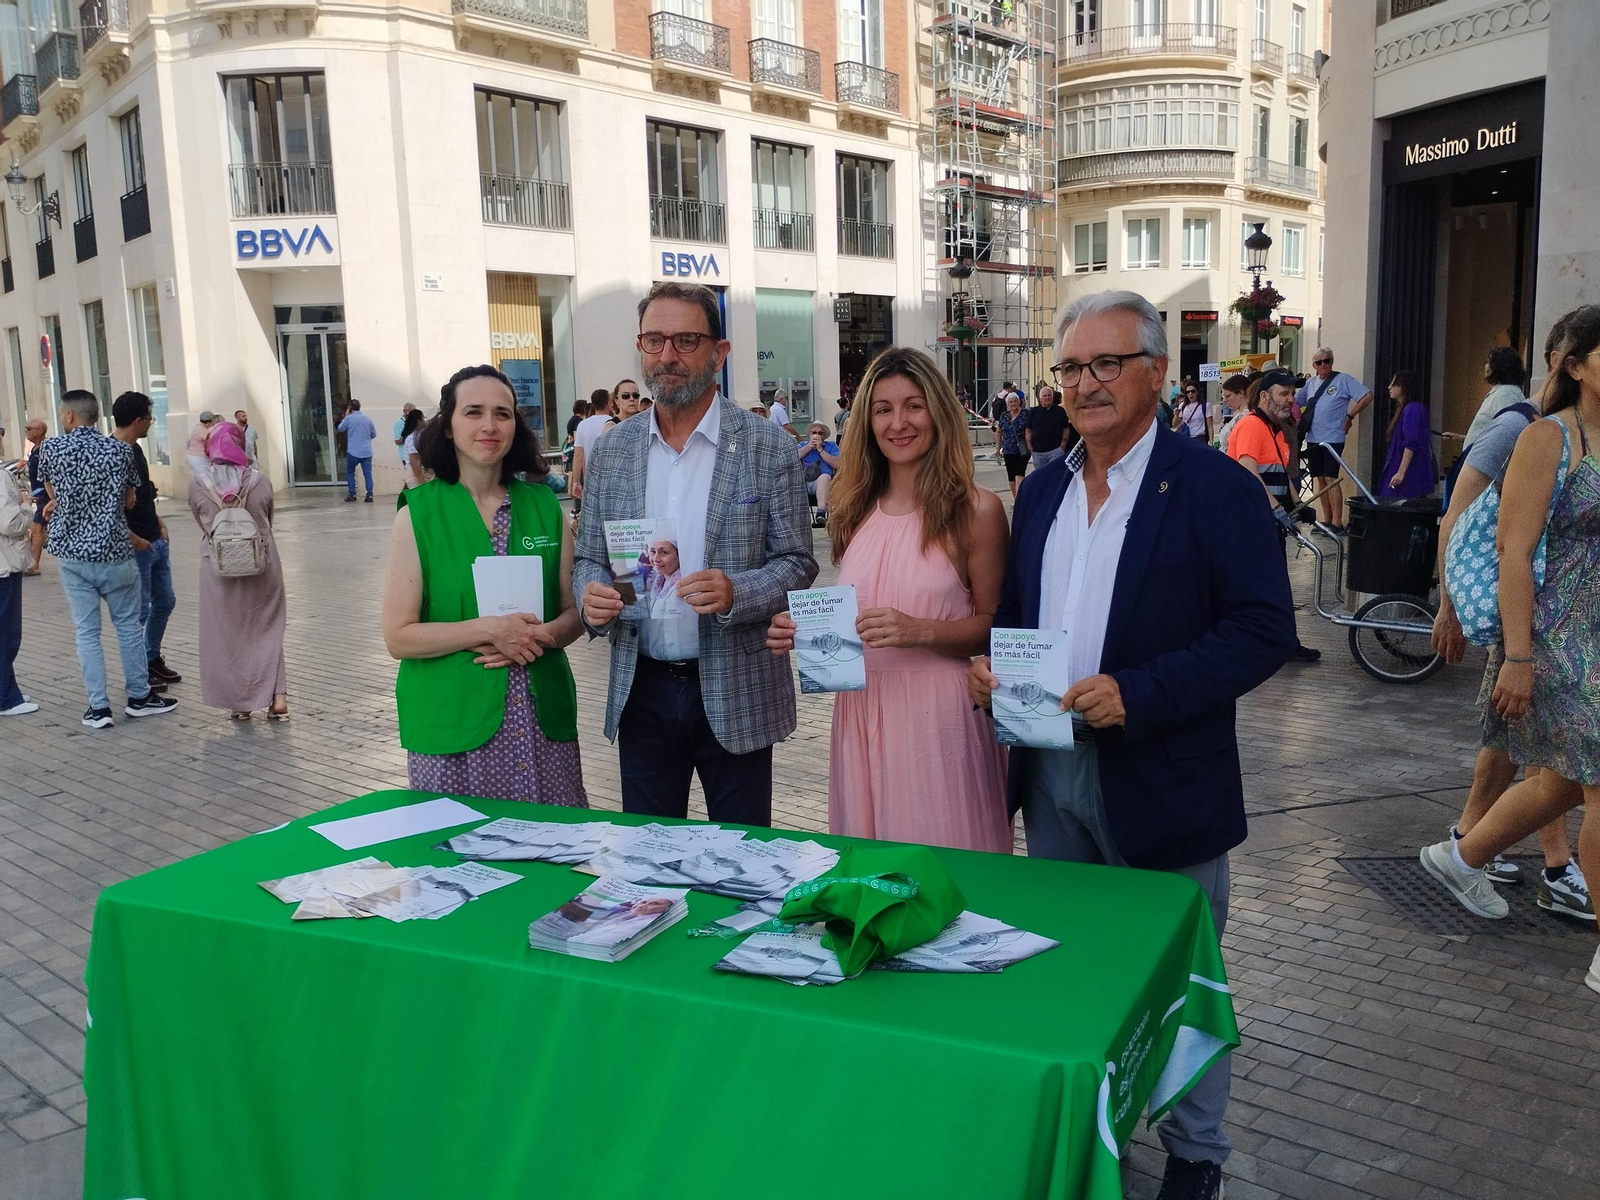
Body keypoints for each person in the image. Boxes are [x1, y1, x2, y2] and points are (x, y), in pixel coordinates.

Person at [966, 290, 1296, 1199]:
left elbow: (1264, 629)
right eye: (1071, 368)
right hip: (1051, 767)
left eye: (1107, 364)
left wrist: (1140, 695)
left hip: (1161, 776)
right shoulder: (1042, 487)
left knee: (1179, 980)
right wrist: (995, 665)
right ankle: (1101, 1126)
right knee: (1077, 965)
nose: (1085, 384)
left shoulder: (1212, 486)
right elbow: (1018, 613)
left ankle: (1196, 1156)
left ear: (1156, 371)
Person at [574, 280, 818, 826]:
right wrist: (590, 597)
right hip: (643, 689)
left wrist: (737, 591)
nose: (668, 356)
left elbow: (798, 562)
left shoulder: (767, 446)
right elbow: (589, 558)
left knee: (743, 863)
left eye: (686, 340)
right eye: (654, 340)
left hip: (737, 686)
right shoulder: (613, 451)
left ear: (719, 352)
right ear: (640, 347)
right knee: (650, 859)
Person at [1420, 304, 1600, 995]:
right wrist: (1518, 657)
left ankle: (1463, 857)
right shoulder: (1546, 437)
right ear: (1575, 366)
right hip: (1559, 635)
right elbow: (1513, 552)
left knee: (1561, 779)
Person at [768, 346, 1011, 852]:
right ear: (866, 421)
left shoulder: (976, 509)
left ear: (938, 411)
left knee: (945, 877)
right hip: (860, 711)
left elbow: (998, 626)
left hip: (939, 721)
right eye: (883, 409)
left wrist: (920, 629)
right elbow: (851, 616)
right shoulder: (853, 506)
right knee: (870, 877)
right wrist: (800, 631)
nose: (898, 422)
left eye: (913, 405)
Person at [383, 364, 585, 806]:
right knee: (460, 864)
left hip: (539, 724)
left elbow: (574, 613)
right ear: (449, 426)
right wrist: (490, 630)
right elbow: (399, 637)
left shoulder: (545, 507)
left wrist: (542, 635)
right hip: (452, 729)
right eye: (473, 412)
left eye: (503, 413)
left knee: (554, 857)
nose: (489, 426)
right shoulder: (417, 514)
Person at [38, 390, 178, 727]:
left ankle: (99, 708)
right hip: (115, 553)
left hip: (72, 554)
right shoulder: (120, 450)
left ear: (70, 416)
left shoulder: (51, 449)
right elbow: (131, 499)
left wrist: (71, 502)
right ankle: (139, 697)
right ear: (95, 416)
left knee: (87, 632)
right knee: (128, 628)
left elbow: (50, 490)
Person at [189, 423, 289, 720]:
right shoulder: (260, 481)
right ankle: (279, 698)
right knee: (267, 631)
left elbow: (201, 522)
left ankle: (241, 704)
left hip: (219, 571)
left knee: (229, 635)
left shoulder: (198, 483)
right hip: (262, 565)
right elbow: (267, 519)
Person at [1230, 370, 1322, 663]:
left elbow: (1281, 474)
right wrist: (1275, 508)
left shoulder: (1276, 430)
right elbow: (1248, 471)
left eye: (1292, 394)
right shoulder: (1251, 426)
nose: (1290, 399)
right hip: (1252, 521)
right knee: (1266, 584)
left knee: (1276, 582)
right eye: (1284, 393)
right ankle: (1272, 643)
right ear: (1265, 396)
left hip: (1267, 519)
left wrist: (1299, 503)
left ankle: (1283, 642)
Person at [112, 393, 182, 693]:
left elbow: (143, 493)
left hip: (154, 538)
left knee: (165, 601)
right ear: (138, 420)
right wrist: (134, 539)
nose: (152, 424)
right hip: (134, 548)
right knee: (137, 613)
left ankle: (151, 657)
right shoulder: (112, 453)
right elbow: (110, 508)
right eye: (150, 419)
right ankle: (139, 674)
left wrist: (160, 522)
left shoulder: (136, 450)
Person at [1295, 348, 1373, 529]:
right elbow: (1297, 401)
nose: (1324, 365)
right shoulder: (1311, 383)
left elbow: (1367, 396)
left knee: (1331, 478)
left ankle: (1337, 522)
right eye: (1319, 362)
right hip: (1314, 437)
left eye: (1327, 360)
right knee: (1319, 478)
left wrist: (1350, 416)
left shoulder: (1343, 379)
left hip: (1333, 438)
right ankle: (1326, 519)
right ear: (1314, 365)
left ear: (1332, 361)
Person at [0, 423, 35, 715]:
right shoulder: (1, 477)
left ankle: (8, 692)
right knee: (7, 634)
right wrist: (27, 507)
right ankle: (6, 698)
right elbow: (10, 524)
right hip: (4, 566)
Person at [1377, 371, 1435, 498]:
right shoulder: (1407, 409)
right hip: (1404, 472)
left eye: (1394, 384)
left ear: (1404, 387)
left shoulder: (1412, 409)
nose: (1389, 387)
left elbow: (1411, 442)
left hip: (1407, 476)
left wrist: (1401, 472)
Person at [1459, 345, 1528, 447]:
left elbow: (1506, 433)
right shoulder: (1503, 391)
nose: (1485, 366)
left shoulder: (1506, 394)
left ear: (1499, 366)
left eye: (1488, 362)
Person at [569, 387, 614, 503]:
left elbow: (578, 455)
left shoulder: (583, 425)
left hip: (591, 480)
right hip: (613, 478)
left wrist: (576, 482)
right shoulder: (615, 423)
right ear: (609, 403)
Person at [798, 422, 840, 528]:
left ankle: (820, 514)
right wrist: (809, 447)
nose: (817, 435)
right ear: (809, 435)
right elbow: (792, 459)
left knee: (824, 477)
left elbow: (837, 464)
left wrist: (821, 450)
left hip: (823, 482)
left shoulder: (831, 446)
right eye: (814, 432)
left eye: (820, 433)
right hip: (803, 481)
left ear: (824, 436)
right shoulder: (802, 446)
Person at [337, 399, 378, 502]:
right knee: (367, 473)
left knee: (350, 472)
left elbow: (340, 428)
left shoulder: (349, 419)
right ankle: (369, 495)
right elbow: (373, 434)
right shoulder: (367, 419)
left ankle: (352, 494)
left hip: (353, 451)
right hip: (367, 451)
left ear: (350, 408)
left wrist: (346, 416)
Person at [1024, 381, 1069, 471]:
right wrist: (1029, 447)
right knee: (1041, 476)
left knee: (1055, 474)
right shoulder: (1033, 412)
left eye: (1049, 395)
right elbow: (1028, 430)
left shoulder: (1060, 411)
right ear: (1040, 398)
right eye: (1044, 396)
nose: (1047, 398)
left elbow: (1066, 429)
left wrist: (1062, 447)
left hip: (1055, 450)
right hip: (1038, 452)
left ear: (1052, 398)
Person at [994, 391, 1030, 499]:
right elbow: (999, 432)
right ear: (1007, 404)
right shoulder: (1004, 415)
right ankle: (1016, 499)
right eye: (1011, 402)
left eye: (1015, 401)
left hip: (1022, 450)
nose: (1013, 403)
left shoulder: (1025, 414)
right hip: (1008, 450)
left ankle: (1020, 500)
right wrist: (997, 448)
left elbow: (1030, 429)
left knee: (1019, 474)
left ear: (1019, 402)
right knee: (1011, 478)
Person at [22, 419, 46, 575]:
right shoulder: (34, 450)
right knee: (37, 528)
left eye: (29, 428)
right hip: (39, 494)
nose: (27, 431)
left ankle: (34, 565)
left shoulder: (44, 450)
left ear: (39, 431)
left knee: (38, 528)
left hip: (45, 496)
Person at [1214, 374, 1252, 453]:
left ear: (1241, 393)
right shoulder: (1237, 413)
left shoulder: (1247, 415)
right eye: (1224, 397)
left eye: (1228, 396)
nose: (1225, 400)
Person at [184, 412, 219, 484]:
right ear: (209, 422)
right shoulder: (203, 430)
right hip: (199, 458)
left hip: (192, 456)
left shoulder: (196, 427)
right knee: (207, 481)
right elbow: (211, 441)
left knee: (199, 478)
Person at [399, 408, 427, 489]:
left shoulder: (418, 435)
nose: (424, 421)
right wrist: (421, 480)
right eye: (423, 418)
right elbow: (413, 461)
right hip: (415, 473)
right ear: (418, 421)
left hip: (420, 471)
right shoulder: (412, 438)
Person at [392, 402, 417, 468]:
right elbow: (397, 441)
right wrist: (409, 437)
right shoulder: (399, 423)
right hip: (406, 456)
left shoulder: (413, 422)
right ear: (405, 411)